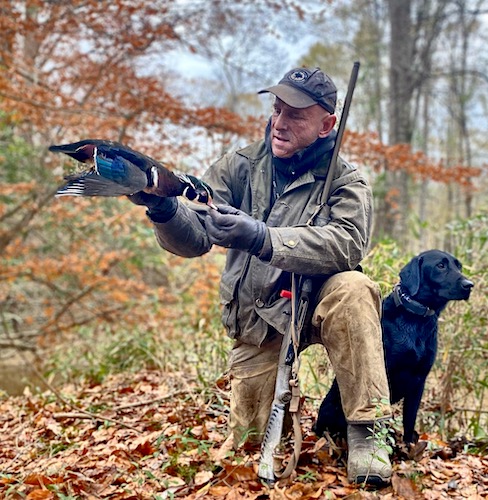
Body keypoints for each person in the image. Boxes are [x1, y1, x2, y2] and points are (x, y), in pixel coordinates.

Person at [129, 67, 392, 485]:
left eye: (296, 115)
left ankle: (368, 434)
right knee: (248, 447)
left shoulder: (347, 180)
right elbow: (194, 237)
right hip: (258, 317)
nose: (280, 123)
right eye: (277, 109)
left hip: (322, 298)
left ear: (327, 125)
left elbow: (348, 244)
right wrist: (163, 210)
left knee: (355, 289)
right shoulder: (240, 166)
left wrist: (263, 238)